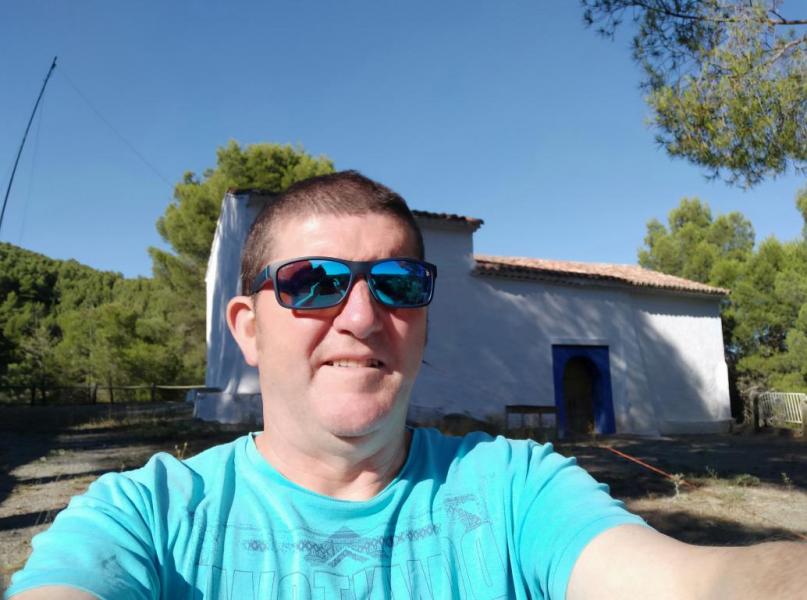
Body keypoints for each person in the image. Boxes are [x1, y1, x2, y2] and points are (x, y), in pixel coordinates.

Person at [6, 171, 806, 600]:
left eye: (397, 284)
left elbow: (693, 584)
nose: (361, 316)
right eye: (313, 282)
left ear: (422, 317)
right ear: (246, 327)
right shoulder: (146, 514)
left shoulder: (516, 490)